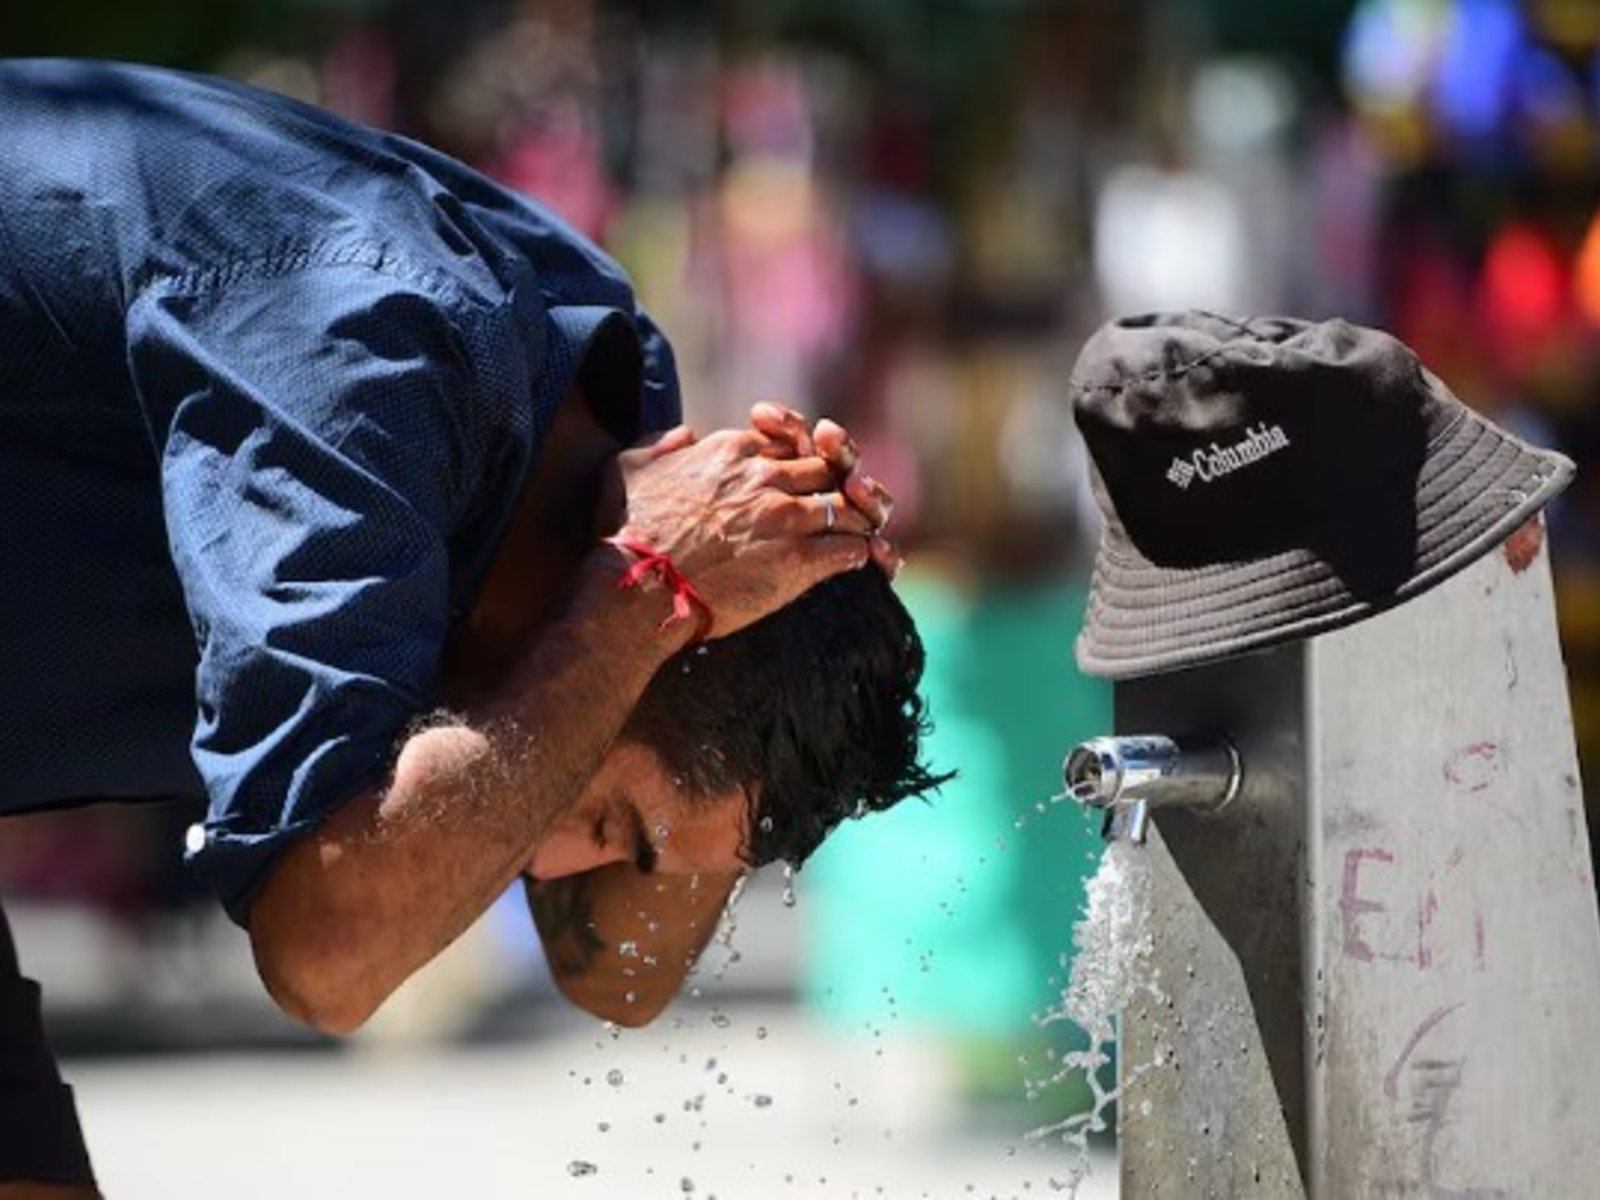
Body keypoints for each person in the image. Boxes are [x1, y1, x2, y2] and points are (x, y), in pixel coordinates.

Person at [0, 60, 946, 1198]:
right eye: (610, 821)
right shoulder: (364, 357)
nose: (547, 861)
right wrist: (646, 596)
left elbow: (615, 986)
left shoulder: (587, 434)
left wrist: (796, 604)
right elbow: (328, 955)